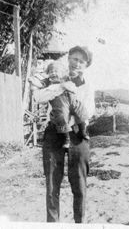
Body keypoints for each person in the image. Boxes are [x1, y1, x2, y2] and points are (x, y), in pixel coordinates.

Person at [42, 46, 95, 223]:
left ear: (86, 65)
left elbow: (88, 110)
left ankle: (80, 223)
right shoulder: (56, 78)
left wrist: (70, 123)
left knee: (79, 184)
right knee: (52, 184)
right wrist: (61, 87)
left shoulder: (87, 86)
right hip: (54, 134)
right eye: (74, 59)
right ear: (68, 59)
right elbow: (38, 97)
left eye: (81, 61)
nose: (77, 63)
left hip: (78, 134)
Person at [31, 60, 90, 148]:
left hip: (71, 99)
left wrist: (80, 75)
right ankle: (66, 138)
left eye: (56, 71)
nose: (53, 73)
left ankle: (83, 131)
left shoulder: (67, 78)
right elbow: (39, 85)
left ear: (62, 72)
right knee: (61, 116)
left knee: (81, 109)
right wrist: (33, 81)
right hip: (60, 102)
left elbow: (78, 81)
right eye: (51, 72)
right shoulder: (48, 82)